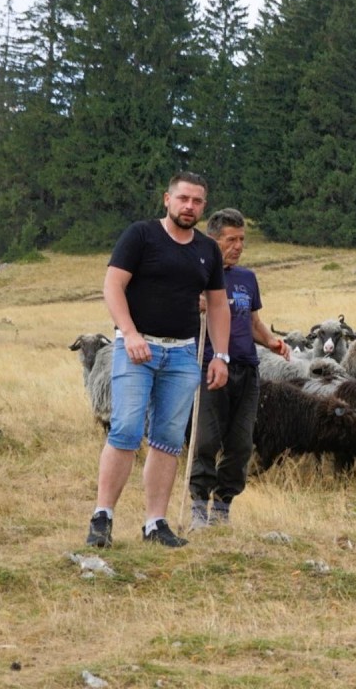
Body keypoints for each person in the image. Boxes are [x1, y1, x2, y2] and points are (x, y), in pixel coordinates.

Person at [85, 171, 231, 549]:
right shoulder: (141, 235)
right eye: (183, 198)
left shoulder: (208, 250)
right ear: (167, 199)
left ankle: (155, 523)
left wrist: (221, 355)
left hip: (182, 355)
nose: (189, 206)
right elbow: (113, 285)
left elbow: (218, 305)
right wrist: (129, 333)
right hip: (137, 350)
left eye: (197, 201)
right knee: (126, 430)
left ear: (204, 206)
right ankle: (102, 517)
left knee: (167, 440)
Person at [188, 208, 291, 529]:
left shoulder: (247, 278)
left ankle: (223, 505)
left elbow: (254, 322)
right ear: (212, 240)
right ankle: (197, 506)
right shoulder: (195, 274)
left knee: (241, 444)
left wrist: (272, 342)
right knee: (206, 440)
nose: (238, 246)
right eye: (231, 240)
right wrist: (192, 303)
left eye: (242, 240)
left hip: (247, 369)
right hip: (208, 367)